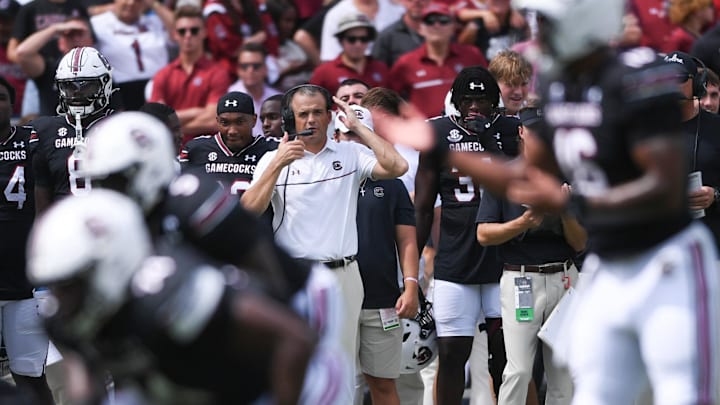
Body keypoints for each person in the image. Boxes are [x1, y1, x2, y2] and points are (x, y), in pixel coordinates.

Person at [453, 1, 720, 403]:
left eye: (545, 20)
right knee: (595, 394)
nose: (536, 31)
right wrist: (444, 153)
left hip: (666, 261)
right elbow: (530, 176)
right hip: (608, 263)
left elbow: (664, 185)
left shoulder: (638, 73)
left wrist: (576, 203)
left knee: (683, 394)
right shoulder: (560, 84)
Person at [26, 189, 319, 405]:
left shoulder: (171, 293)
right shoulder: (60, 315)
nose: (58, 297)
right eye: (53, 285)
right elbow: (86, 387)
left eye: (68, 284)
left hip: (261, 387)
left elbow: (294, 337)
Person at [241, 84, 409, 403]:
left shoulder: (350, 153)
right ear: (291, 119)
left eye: (318, 112)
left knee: (342, 366)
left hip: (344, 274)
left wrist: (359, 126)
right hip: (295, 276)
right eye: (303, 114)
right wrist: (278, 164)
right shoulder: (272, 159)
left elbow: (398, 167)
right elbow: (248, 210)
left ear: (331, 116)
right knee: (294, 360)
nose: (311, 120)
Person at [413, 65, 519, 405]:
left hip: (503, 259)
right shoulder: (438, 131)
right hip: (455, 258)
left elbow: (520, 185)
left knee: (507, 358)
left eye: (483, 100)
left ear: (495, 102)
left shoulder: (511, 129)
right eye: (468, 100)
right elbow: (423, 206)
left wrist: (488, 140)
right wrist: (412, 262)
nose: (475, 107)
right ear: (456, 101)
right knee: (452, 354)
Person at [476, 106, 586, 405]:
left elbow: (579, 243)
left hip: (564, 278)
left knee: (563, 373)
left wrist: (564, 212)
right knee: (519, 371)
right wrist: (523, 223)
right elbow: (484, 234)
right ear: (522, 131)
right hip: (521, 278)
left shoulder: (566, 177)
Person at [333, 104, 419, 405]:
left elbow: (407, 240)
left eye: (361, 135)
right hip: (337, 296)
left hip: (382, 297)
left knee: (383, 385)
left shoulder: (392, 184)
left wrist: (411, 284)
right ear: (335, 136)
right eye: (347, 134)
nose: (354, 142)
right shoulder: (326, 178)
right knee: (341, 385)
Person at [0, 76, 53, 405]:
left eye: (0, 98)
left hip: (24, 282)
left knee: (30, 375)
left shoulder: (31, 142)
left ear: (12, 104)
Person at [29, 46, 115, 214]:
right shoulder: (44, 130)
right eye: (69, 86)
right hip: (63, 226)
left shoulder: (119, 125)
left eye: (85, 86)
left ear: (105, 83)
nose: (76, 93)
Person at [149, 6, 232, 147]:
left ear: (204, 32)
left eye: (194, 30)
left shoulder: (218, 72)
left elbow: (213, 119)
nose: (188, 35)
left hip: (207, 152)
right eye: (182, 31)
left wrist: (173, 127)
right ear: (174, 34)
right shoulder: (163, 74)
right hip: (171, 151)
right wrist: (198, 112)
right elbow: (157, 119)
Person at [663, 51, 720, 252]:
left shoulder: (716, 128)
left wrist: (715, 195)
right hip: (664, 252)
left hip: (712, 249)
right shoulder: (644, 129)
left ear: (696, 84)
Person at [389, 2, 487, 118]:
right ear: (420, 28)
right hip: (424, 133)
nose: (436, 25)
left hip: (467, 131)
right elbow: (388, 99)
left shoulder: (472, 55)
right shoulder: (406, 62)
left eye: (443, 20)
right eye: (429, 21)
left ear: (454, 27)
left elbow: (490, 90)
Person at [179, 91, 277, 199]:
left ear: (253, 120)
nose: (232, 131)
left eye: (240, 122)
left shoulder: (273, 149)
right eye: (225, 123)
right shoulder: (196, 149)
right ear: (217, 121)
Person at [90, 0, 174, 110]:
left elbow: (179, 29)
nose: (131, 3)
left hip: (158, 88)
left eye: (138, 0)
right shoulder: (98, 24)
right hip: (120, 91)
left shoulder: (155, 22)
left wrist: (154, 4)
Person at [14, 16, 95, 116]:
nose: (75, 39)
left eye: (80, 34)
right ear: (60, 43)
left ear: (91, 40)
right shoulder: (50, 69)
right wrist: (55, 28)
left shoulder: (102, 72)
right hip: (53, 129)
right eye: (69, 34)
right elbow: (23, 53)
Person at [310, 12, 389, 97]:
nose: (358, 44)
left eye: (364, 39)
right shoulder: (324, 72)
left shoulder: (381, 68)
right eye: (352, 39)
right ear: (341, 41)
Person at [227, 43, 282, 137]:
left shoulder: (276, 98)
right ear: (238, 70)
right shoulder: (229, 98)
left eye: (256, 66)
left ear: (265, 68)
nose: (250, 70)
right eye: (244, 66)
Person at [371, 0, 429, 67]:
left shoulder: (440, 31)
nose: (416, 3)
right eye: (410, 0)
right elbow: (378, 70)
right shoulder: (387, 36)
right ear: (403, 1)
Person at [488, 49, 532, 117]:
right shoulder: (482, 120)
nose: (519, 92)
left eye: (524, 84)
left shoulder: (536, 118)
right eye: (511, 84)